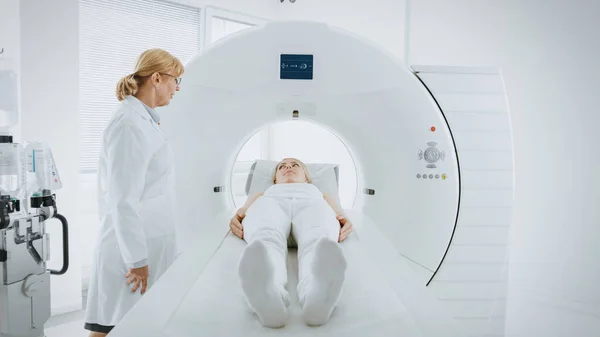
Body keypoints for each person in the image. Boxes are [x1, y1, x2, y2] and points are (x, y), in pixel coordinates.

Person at [84, 48, 184, 337]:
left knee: (135, 324)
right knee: (111, 327)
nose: (177, 88)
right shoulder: (129, 124)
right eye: (175, 80)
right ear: (156, 78)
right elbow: (122, 199)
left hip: (148, 240)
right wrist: (137, 261)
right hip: (129, 252)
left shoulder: (143, 121)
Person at [229, 158, 354, 328]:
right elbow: (242, 213)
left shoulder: (321, 194)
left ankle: (316, 295)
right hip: (272, 203)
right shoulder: (263, 193)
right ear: (275, 179)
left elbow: (340, 215)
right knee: (266, 238)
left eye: (295, 165)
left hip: (311, 204)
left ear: (306, 178)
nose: (288, 167)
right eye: (282, 167)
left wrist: (346, 221)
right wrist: (235, 219)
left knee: (317, 239)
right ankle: (269, 293)